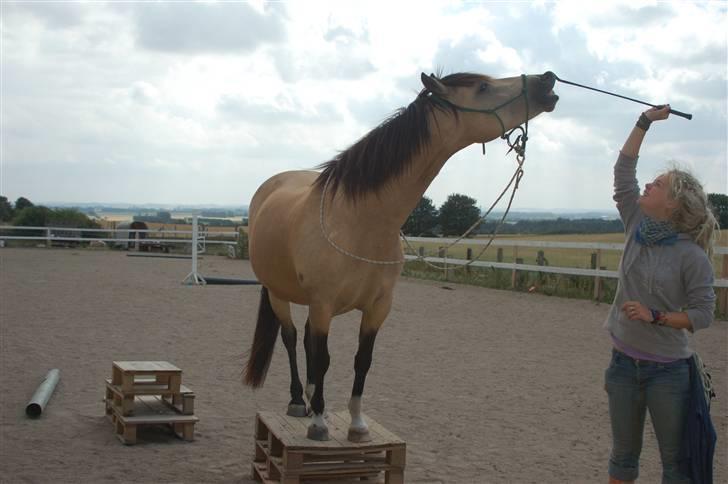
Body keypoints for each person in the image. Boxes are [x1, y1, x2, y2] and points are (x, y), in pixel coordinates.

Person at [604, 105, 718, 484]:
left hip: (669, 372)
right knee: (622, 459)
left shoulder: (692, 255)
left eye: (658, 184)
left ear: (673, 205)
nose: (648, 186)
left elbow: (703, 314)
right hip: (622, 364)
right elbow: (623, 173)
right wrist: (644, 122)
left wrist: (657, 316)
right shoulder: (636, 224)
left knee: (675, 465)